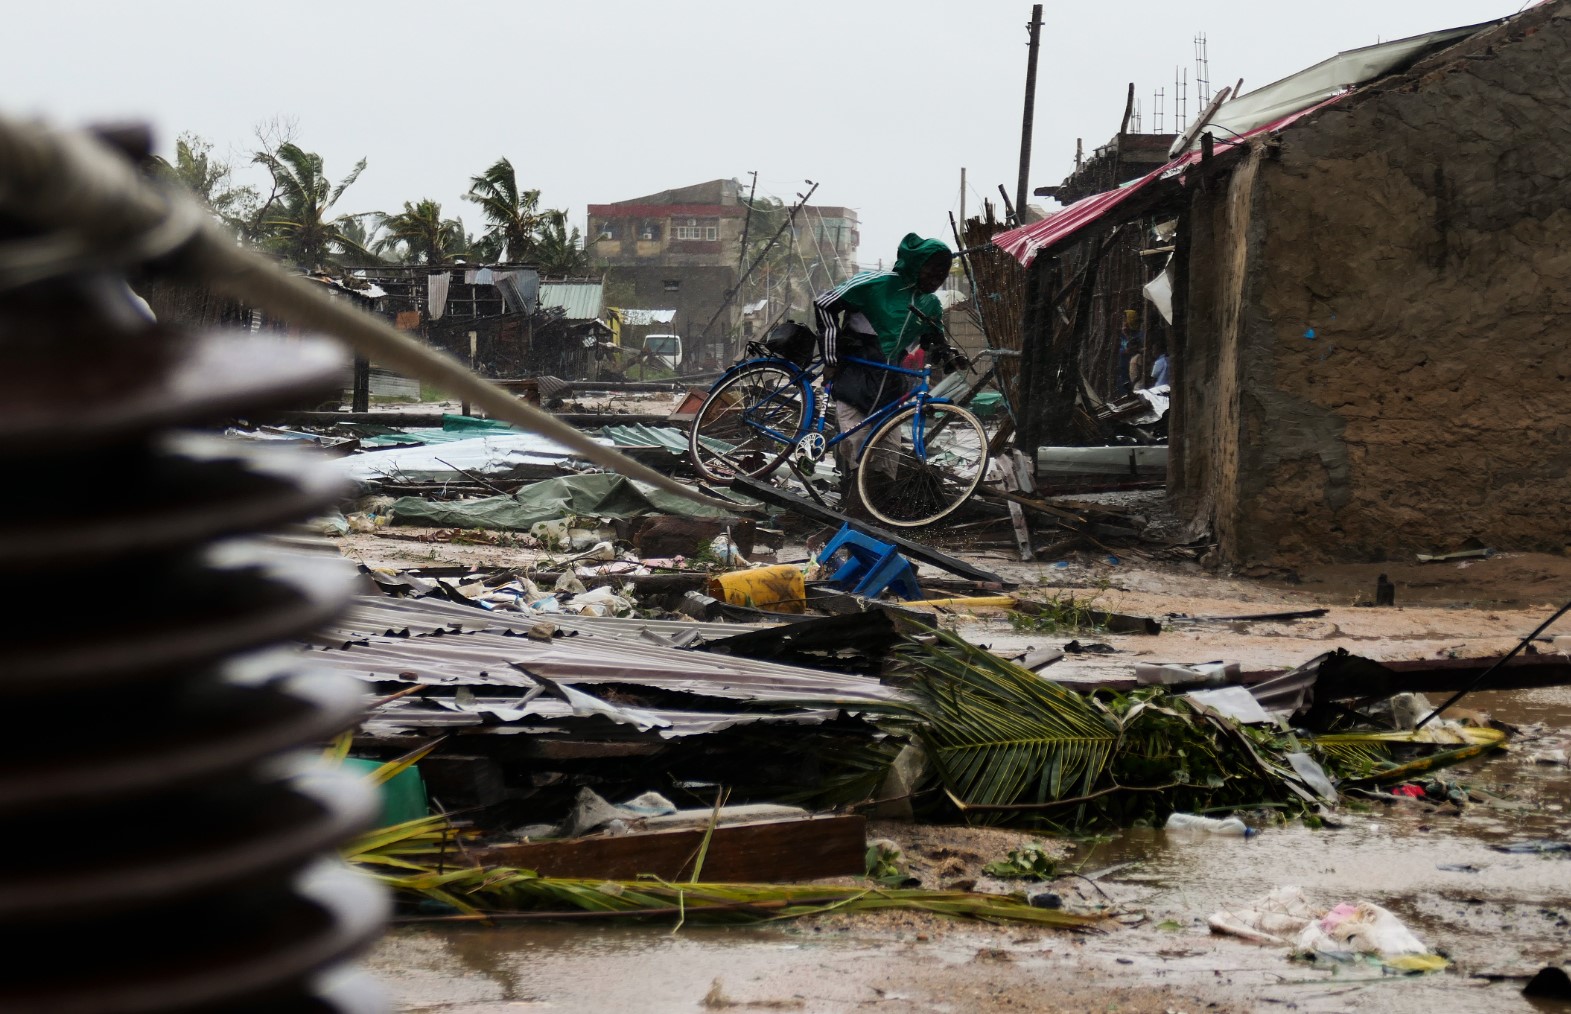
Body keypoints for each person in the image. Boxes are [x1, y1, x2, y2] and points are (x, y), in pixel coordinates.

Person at [813, 233, 953, 507]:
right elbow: (825, 303)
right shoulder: (876, 283)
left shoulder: (930, 304)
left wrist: (948, 353)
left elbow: (934, 338)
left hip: (890, 385)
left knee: (887, 457)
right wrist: (830, 357)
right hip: (856, 375)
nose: (938, 276)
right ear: (916, 263)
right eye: (932, 268)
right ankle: (852, 513)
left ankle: (874, 516)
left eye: (943, 271)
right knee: (856, 447)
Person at [1116, 308, 1143, 397]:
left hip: (1134, 365)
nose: (1123, 322)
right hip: (1123, 364)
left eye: (1125, 320)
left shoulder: (1139, 335)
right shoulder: (1122, 335)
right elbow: (1121, 348)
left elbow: (1136, 348)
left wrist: (1127, 336)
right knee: (1123, 386)